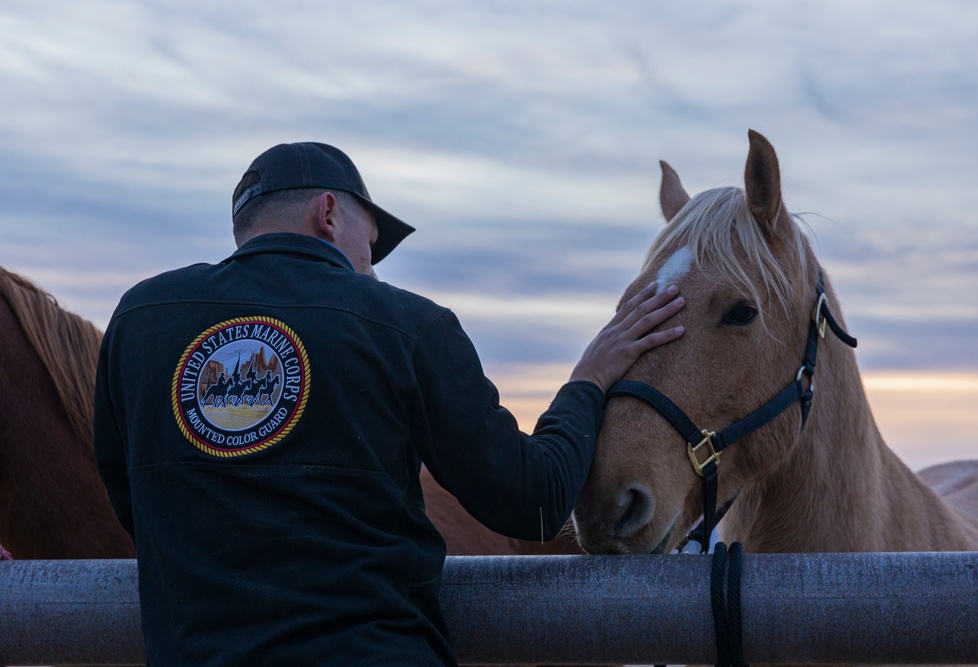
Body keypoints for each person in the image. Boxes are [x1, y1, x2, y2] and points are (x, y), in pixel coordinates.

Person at [94, 142, 685, 666]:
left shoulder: (140, 321)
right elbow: (533, 502)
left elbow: (131, 503)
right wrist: (588, 380)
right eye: (371, 245)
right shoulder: (409, 325)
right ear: (328, 213)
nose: (370, 269)